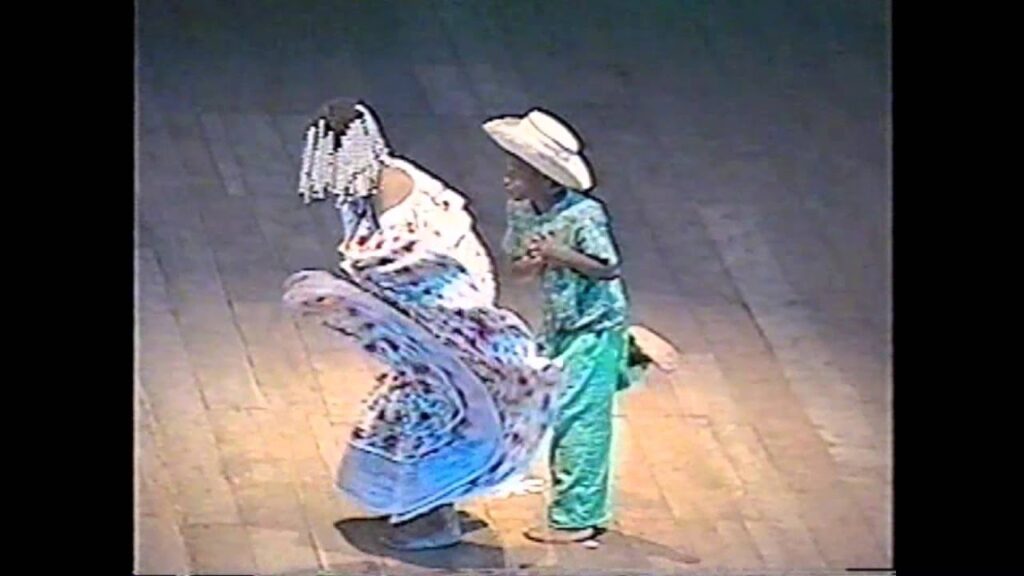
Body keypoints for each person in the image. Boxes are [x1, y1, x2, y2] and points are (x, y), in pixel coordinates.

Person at [284, 99, 561, 550]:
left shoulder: (394, 192)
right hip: (427, 323)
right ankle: (421, 507)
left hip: (448, 318)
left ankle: (429, 518)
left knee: (434, 412)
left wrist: (367, 293)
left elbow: (413, 264)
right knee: (421, 409)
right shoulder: (365, 189)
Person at [483, 108, 677, 544]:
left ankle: (576, 517)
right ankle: (628, 357)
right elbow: (518, 267)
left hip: (592, 321)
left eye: (519, 171)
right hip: (558, 321)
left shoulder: (585, 216)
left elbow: (607, 268)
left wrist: (558, 253)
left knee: (578, 417)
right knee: (549, 399)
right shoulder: (521, 211)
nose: (508, 178)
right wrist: (533, 262)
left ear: (548, 179)